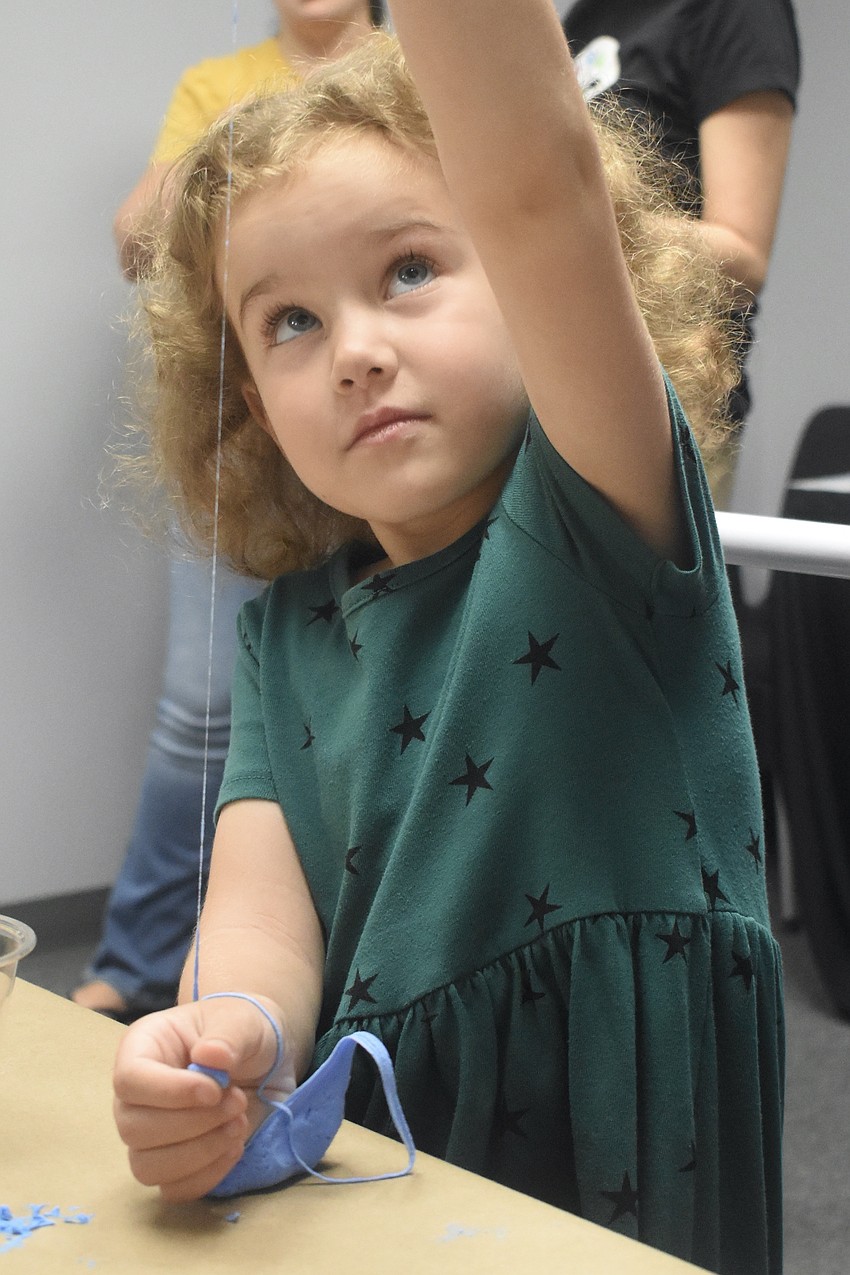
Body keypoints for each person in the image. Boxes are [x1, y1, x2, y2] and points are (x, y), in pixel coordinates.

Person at [112, 4, 782, 1271]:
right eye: (290, 322)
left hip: (621, 1178)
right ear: (249, 404)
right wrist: (230, 1032)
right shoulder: (283, 636)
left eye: (409, 271)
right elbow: (262, 913)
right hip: (387, 1173)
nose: (357, 352)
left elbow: (538, 183)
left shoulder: (599, 513)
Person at [73, 0, 384, 1021]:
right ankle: (132, 963)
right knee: (206, 713)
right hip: (253, 457)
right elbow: (136, 231)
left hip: (377, 452)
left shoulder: (411, 68)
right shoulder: (222, 81)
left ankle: (362, 984)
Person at [562, 0, 800, 507]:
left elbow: (744, 254)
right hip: (560, 382)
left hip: (672, 397)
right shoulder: (582, 19)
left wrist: (571, 222)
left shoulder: (736, 11)